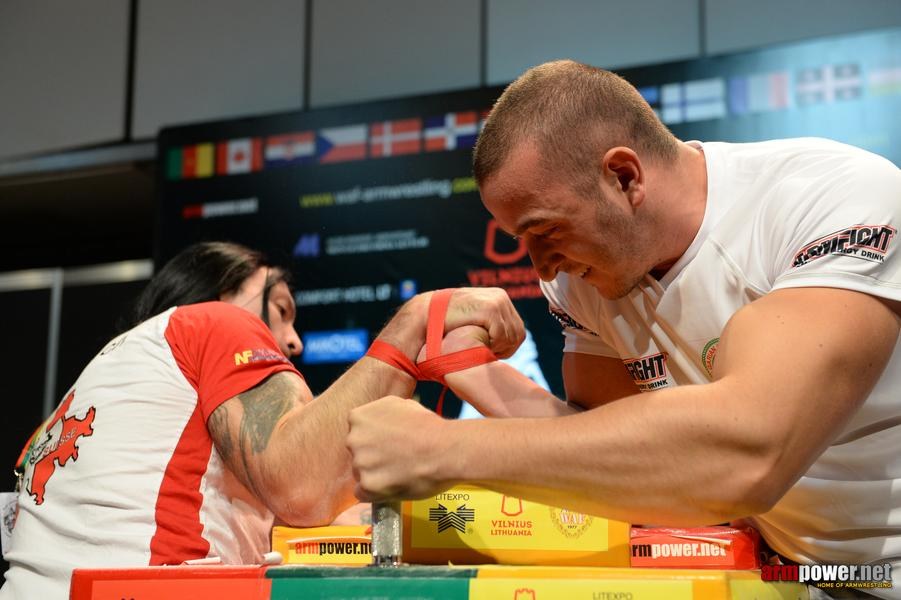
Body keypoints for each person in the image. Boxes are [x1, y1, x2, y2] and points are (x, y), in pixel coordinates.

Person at [347, 60, 901, 596]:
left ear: (624, 176)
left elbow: (749, 455)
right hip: (793, 579)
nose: (542, 269)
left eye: (546, 231)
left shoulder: (836, 198)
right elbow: (611, 457)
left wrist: (443, 451)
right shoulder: (581, 281)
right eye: (523, 240)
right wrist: (471, 368)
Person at [0, 241, 524, 600]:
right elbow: (303, 486)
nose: (293, 341)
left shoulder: (88, 398)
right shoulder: (215, 322)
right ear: (217, 294)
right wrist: (415, 322)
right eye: (279, 308)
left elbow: (334, 516)